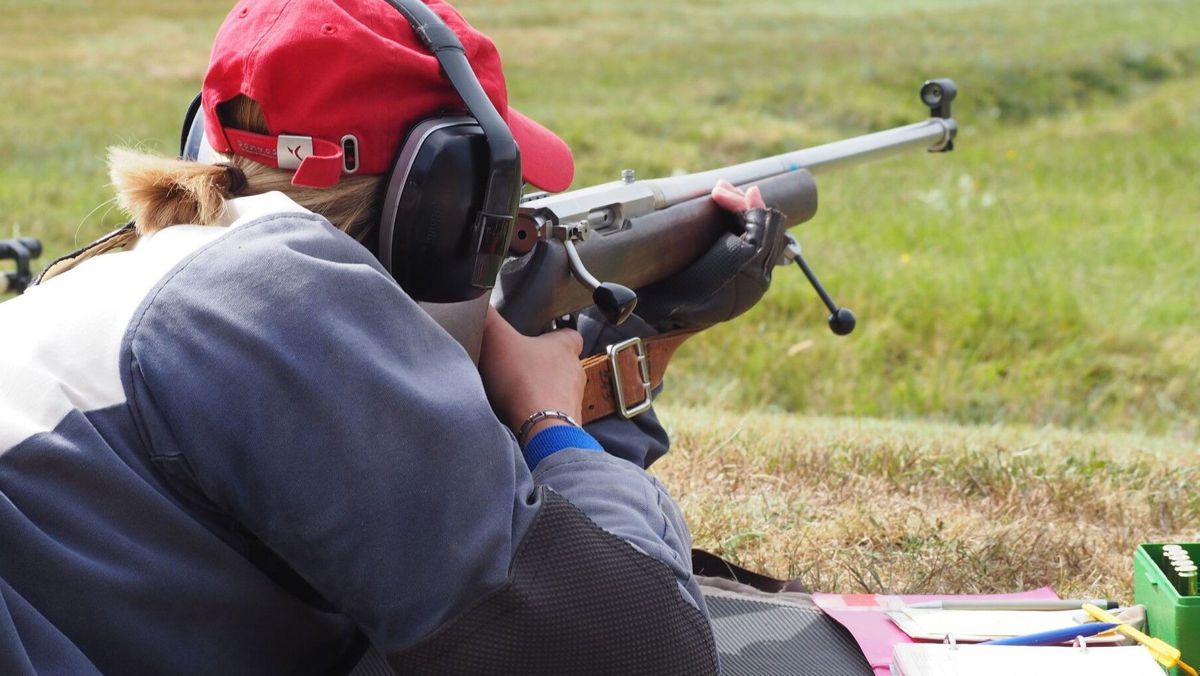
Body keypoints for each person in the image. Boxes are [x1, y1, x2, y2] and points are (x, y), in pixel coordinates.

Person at [0, 0, 784, 673]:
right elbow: (637, 647)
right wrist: (553, 426)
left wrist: (643, 340)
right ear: (440, 197)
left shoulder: (126, 279)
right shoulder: (285, 295)